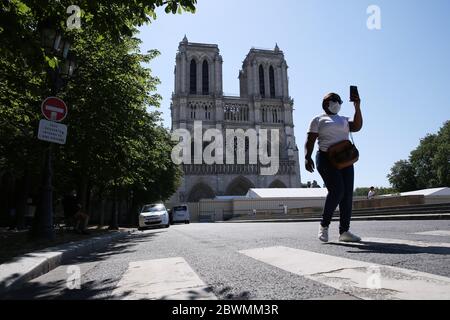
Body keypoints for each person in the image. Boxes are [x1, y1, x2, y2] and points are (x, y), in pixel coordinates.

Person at [304, 92, 363, 243]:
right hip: (326, 159)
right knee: (337, 191)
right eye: (334, 100)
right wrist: (307, 156)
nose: (338, 103)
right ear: (325, 103)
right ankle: (324, 225)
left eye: (340, 101)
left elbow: (357, 126)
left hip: (345, 159)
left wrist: (357, 106)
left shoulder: (344, 120)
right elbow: (310, 140)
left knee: (347, 194)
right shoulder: (318, 119)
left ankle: (344, 231)